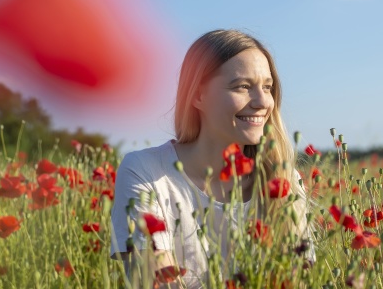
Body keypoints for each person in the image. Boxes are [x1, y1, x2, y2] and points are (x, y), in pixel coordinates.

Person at [110, 29, 312, 288]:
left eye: (268, 87)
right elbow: (156, 280)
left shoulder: (284, 182)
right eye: (242, 86)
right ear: (197, 95)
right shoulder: (147, 173)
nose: (263, 101)